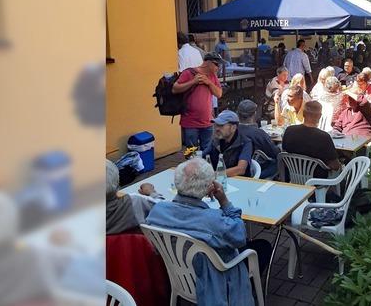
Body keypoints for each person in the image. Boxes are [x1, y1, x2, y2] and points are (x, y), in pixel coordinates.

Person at [146, 158, 271, 306]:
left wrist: (152, 193)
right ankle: (247, 287)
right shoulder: (214, 221)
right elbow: (240, 236)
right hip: (214, 277)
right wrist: (224, 201)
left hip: (180, 274)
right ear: (209, 187)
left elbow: (161, 205)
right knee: (262, 246)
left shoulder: (158, 211)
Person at [173, 52, 223, 154]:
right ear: (208, 63)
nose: (218, 67)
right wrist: (193, 82)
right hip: (190, 121)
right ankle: (190, 169)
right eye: (217, 64)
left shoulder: (212, 76)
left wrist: (208, 83)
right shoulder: (188, 73)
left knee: (207, 151)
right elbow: (175, 89)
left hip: (207, 121)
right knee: (191, 152)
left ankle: (205, 169)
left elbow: (219, 94)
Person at [282, 101, 341, 178]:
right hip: (316, 180)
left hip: (292, 177)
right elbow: (335, 166)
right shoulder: (324, 137)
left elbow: (284, 153)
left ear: (303, 114)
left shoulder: (289, 130)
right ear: (319, 116)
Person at [106, 160, 163, 235]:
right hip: (138, 245)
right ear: (117, 182)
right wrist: (152, 192)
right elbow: (163, 208)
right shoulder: (134, 202)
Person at [236, 99, 279, 179]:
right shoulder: (258, 133)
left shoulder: (233, 131)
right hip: (257, 170)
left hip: (236, 169)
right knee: (280, 161)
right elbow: (275, 153)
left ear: (238, 114)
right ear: (254, 114)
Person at [208, 110, 253, 177]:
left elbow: (241, 169)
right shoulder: (216, 140)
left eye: (221, 125)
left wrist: (213, 175)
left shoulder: (245, 142)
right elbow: (203, 156)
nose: (217, 128)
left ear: (233, 128)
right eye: (216, 125)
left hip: (239, 182)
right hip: (218, 181)